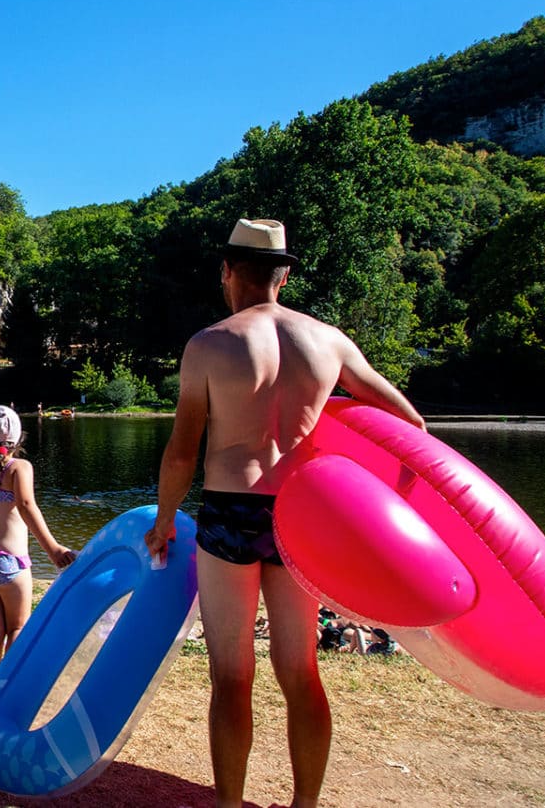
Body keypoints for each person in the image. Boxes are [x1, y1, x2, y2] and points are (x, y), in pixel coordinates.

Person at [146, 219, 425, 808]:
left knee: (232, 675)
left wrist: (165, 519)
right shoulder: (329, 341)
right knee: (299, 670)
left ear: (227, 273)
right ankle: (304, 805)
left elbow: (181, 451)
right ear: (285, 275)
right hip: (302, 519)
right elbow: (411, 425)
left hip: (229, 512)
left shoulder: (209, 344)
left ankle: (228, 805)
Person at [0, 405, 76, 682]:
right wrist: (53, 549)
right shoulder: (20, 468)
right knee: (17, 628)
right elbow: (27, 506)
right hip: (8, 562)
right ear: (20, 439)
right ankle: (7, 696)